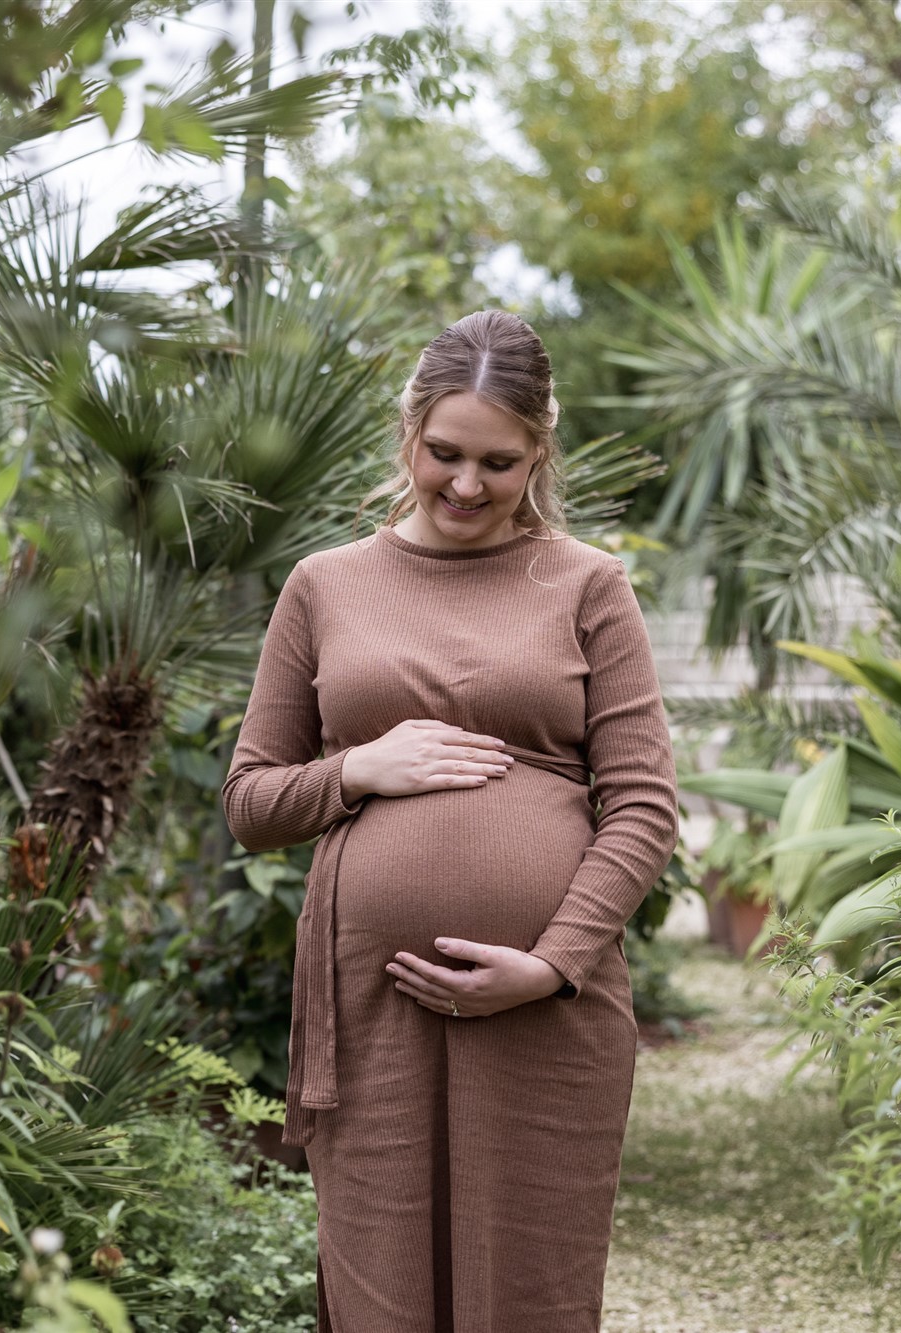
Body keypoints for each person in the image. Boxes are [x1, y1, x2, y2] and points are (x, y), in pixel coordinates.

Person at [221, 309, 680, 1331]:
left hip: (545, 1018)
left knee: (529, 1295)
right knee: (384, 1293)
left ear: (538, 451)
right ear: (408, 432)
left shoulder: (587, 585)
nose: (466, 484)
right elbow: (250, 802)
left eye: (498, 462)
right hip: (373, 1013)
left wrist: (550, 962)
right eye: (444, 453)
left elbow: (644, 806)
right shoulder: (326, 586)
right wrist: (360, 770)